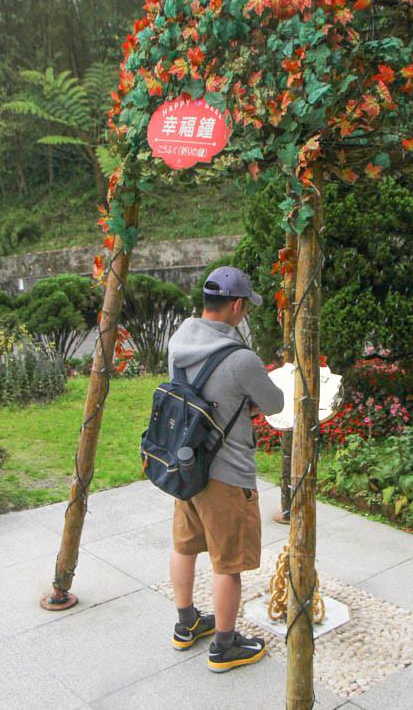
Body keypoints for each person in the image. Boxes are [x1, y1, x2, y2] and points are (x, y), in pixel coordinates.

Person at [167, 265, 285, 673]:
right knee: (228, 563)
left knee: (185, 546)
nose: (245, 314)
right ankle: (225, 645)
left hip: (186, 467)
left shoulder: (179, 340)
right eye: (245, 308)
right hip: (227, 476)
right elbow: (275, 404)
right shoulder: (240, 359)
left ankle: (187, 624)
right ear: (236, 305)